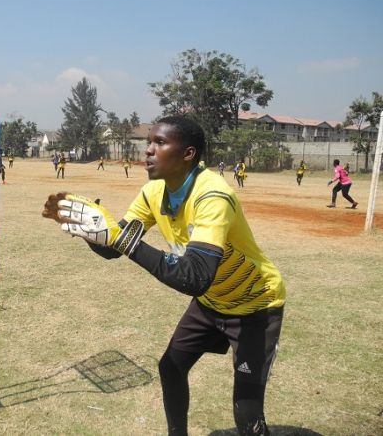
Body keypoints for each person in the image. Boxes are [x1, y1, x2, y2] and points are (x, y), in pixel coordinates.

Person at [43, 115, 285, 435]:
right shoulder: (153, 191)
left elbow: (194, 277)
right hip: (212, 301)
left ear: (188, 154)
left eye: (159, 143)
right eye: (149, 142)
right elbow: (116, 248)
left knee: (246, 409)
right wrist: (91, 233)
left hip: (255, 304)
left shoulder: (212, 195)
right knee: (170, 367)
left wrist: (119, 239)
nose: (148, 151)